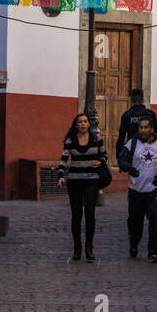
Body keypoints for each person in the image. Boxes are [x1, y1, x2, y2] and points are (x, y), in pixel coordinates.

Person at [117, 112, 157, 262]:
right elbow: (121, 158)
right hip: (136, 189)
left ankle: (153, 252)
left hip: (154, 189)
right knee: (135, 222)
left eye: (145, 127)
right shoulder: (132, 143)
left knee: (155, 220)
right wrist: (128, 168)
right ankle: (134, 244)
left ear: (152, 128)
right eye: (140, 128)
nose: (142, 130)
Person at [57, 112, 109, 262]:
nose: (83, 124)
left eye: (85, 121)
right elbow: (64, 159)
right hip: (74, 181)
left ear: (88, 124)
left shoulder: (96, 139)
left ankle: (89, 248)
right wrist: (61, 175)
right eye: (80, 122)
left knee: (90, 214)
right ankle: (77, 248)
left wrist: (101, 162)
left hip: (92, 181)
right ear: (76, 125)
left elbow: (104, 156)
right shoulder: (70, 140)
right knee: (76, 215)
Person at [115, 88, 157, 155]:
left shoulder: (126, 115)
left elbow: (121, 138)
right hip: (148, 150)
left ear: (131, 100)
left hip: (133, 151)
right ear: (143, 100)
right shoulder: (150, 114)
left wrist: (119, 156)